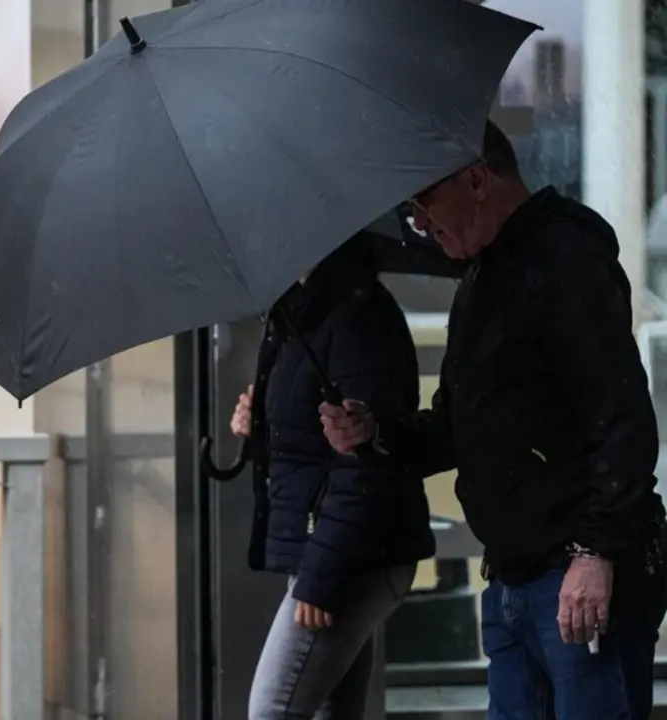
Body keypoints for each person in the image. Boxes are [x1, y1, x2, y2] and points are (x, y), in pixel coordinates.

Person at [320, 121, 667, 720]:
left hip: (578, 578)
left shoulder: (563, 256)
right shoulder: (480, 279)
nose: (420, 225)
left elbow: (623, 418)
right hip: (513, 579)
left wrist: (595, 553)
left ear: (477, 180)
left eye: (423, 203)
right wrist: (376, 433)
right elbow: (457, 427)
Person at [235, 236, 435, 719]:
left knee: (272, 711)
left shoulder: (355, 314)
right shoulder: (299, 310)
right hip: (332, 549)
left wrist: (323, 578)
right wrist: (256, 419)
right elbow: (307, 442)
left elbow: (365, 462)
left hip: (352, 556)